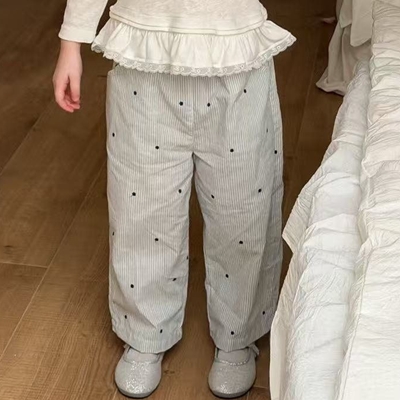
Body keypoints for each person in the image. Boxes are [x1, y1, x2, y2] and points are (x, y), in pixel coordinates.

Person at [53, 0, 295, 398]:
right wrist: (71, 43)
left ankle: (238, 333)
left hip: (235, 51)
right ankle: (145, 330)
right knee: (141, 204)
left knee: (241, 205)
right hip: (143, 53)